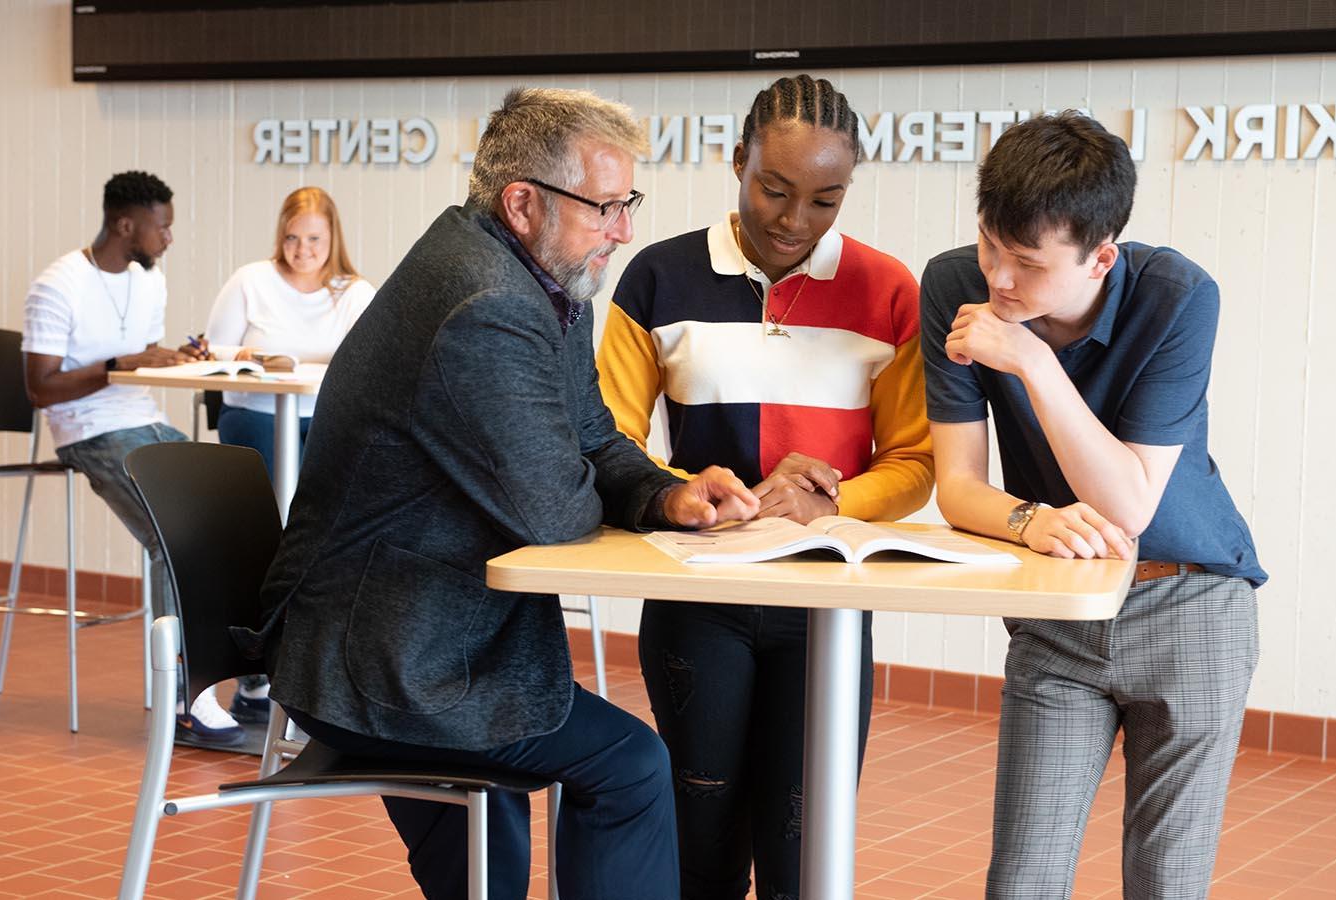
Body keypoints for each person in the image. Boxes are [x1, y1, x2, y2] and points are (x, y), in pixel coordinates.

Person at [243, 88, 761, 900]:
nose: (623, 230)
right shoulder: (485, 303)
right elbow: (553, 512)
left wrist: (667, 496)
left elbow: (590, 439)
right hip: (383, 655)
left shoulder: (545, 280)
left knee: (505, 830)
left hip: (424, 630)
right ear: (522, 203)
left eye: (628, 204)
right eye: (605, 207)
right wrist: (585, 480)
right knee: (629, 769)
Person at [596, 74, 932, 900]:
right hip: (696, 600)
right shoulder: (657, 278)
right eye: (773, 189)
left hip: (825, 606)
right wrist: (684, 490)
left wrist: (837, 500)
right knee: (700, 851)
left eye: (826, 199)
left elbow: (917, 461)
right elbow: (605, 441)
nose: (793, 220)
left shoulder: (888, 291)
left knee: (803, 856)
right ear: (737, 159)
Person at [920, 112, 1265, 898]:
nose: (999, 281)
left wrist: (1034, 364)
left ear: (1101, 257)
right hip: (1061, 611)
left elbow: (1130, 504)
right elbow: (960, 487)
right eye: (988, 247)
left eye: (1027, 263)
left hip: (1194, 602)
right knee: (1022, 882)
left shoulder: (1178, 297)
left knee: (1164, 883)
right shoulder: (952, 285)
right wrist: (1030, 520)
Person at [21, 170, 247, 747]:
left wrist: (171, 358)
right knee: (175, 536)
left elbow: (137, 362)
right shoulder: (58, 284)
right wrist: (118, 366)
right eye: (162, 227)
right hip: (89, 433)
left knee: (237, 507)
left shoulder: (150, 282)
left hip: (143, 420)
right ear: (126, 225)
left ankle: (251, 677)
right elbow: (40, 389)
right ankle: (183, 696)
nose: (169, 238)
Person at [203, 186, 377, 727]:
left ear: (333, 240)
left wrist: (299, 359)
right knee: (265, 541)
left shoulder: (354, 291)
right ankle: (255, 676)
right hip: (253, 416)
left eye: (315, 240)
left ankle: (303, 681)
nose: (302, 249)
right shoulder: (251, 281)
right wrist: (258, 356)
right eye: (293, 238)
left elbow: (365, 356)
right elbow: (213, 349)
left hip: (325, 424)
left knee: (321, 545)